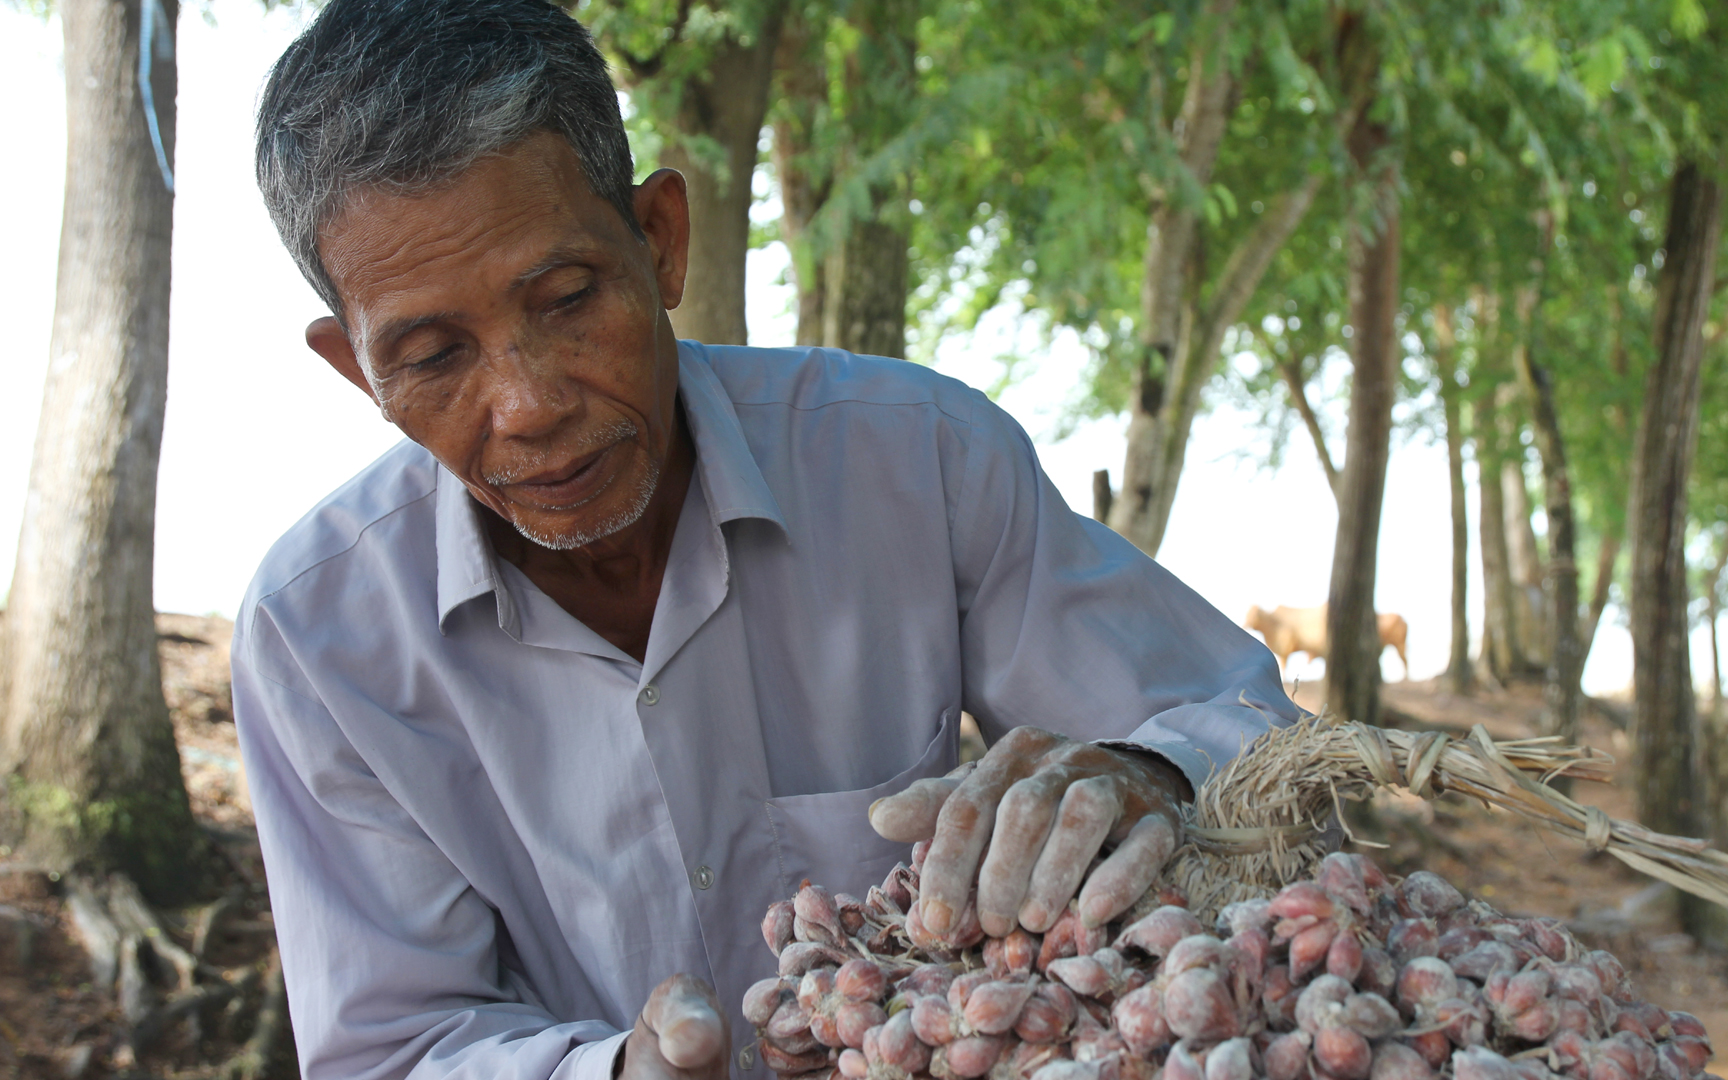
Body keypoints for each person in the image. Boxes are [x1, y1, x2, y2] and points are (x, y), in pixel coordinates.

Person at [232, 2, 1303, 1078]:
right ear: (356, 370)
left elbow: (1260, 739)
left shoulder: (917, 461)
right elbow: (394, 1046)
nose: (526, 406)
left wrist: (1146, 774)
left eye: (565, 300)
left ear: (659, 242)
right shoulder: (317, 639)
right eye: (431, 356)